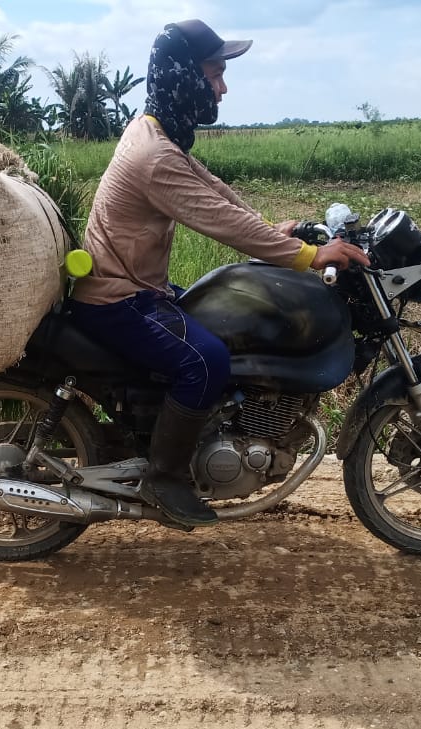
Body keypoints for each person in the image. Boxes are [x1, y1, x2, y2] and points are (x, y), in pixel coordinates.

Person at [69, 19, 369, 529]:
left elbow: (215, 192)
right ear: (184, 77)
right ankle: (164, 478)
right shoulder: (153, 154)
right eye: (215, 75)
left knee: (227, 323)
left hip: (138, 289)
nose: (222, 88)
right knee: (207, 362)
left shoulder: (158, 136)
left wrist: (277, 233)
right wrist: (303, 256)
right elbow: (216, 219)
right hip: (117, 300)